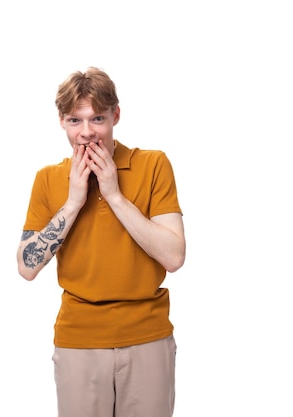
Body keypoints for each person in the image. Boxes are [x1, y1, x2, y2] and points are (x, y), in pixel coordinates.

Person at [16, 66, 186, 417]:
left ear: (116, 116)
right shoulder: (48, 179)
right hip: (78, 340)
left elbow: (174, 256)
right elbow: (26, 266)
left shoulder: (154, 164)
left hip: (147, 337)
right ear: (62, 122)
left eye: (97, 118)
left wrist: (115, 195)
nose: (87, 133)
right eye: (75, 121)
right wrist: (74, 201)